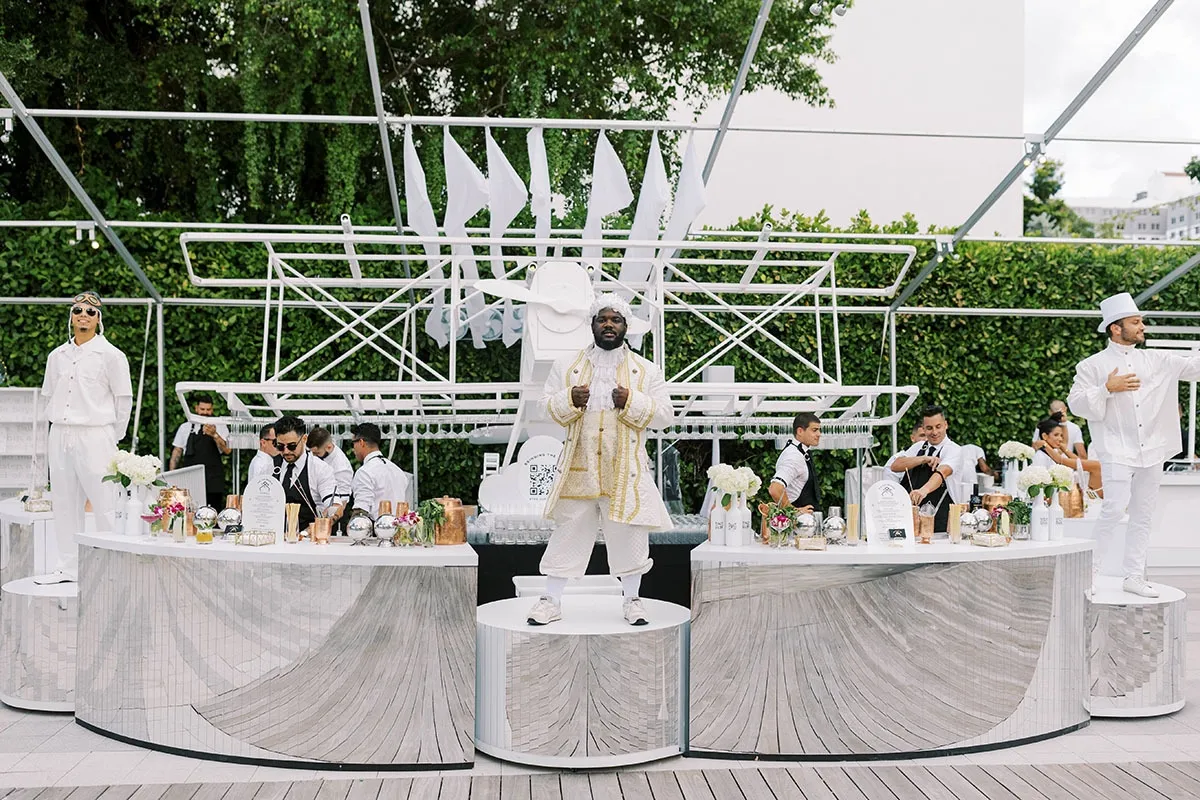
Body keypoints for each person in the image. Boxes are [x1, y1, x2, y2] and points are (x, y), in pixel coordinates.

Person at [527, 294, 673, 627]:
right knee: (567, 535)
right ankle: (551, 600)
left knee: (630, 537)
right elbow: (542, 407)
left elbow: (666, 414)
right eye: (602, 319)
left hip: (625, 472)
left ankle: (633, 600)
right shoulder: (568, 367)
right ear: (592, 324)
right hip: (579, 468)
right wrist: (569, 399)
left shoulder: (646, 371)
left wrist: (631, 400)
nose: (608, 325)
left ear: (626, 326)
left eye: (615, 320)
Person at [1068, 292, 1200, 598]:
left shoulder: (1157, 359)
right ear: (1116, 328)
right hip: (1116, 449)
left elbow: (1194, 366)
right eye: (1136, 322)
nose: (1143, 327)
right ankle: (1091, 572)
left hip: (1152, 449)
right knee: (1113, 509)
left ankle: (1133, 576)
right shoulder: (1092, 366)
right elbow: (1076, 402)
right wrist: (1105, 389)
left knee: (1143, 514)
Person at [37, 292, 133, 584]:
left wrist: (110, 437)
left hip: (95, 434)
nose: (83, 315)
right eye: (78, 310)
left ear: (99, 319)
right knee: (64, 502)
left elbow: (123, 400)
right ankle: (68, 567)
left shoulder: (112, 356)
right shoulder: (57, 356)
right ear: (71, 315)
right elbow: (48, 395)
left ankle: (112, 567)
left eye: (91, 312)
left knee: (104, 501)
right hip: (61, 433)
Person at [248, 415, 337, 533]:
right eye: (280, 446)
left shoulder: (319, 469)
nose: (286, 451)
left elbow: (334, 506)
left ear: (304, 439)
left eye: (292, 446)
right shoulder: (269, 467)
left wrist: (320, 524)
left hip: (308, 541)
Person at [886, 405, 963, 532]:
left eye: (938, 427)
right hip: (912, 520)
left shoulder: (954, 450)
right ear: (923, 429)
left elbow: (942, 473)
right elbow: (895, 466)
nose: (934, 432)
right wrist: (923, 459)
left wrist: (923, 490)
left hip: (941, 521)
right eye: (929, 428)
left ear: (946, 425)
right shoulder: (919, 447)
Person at [169, 394, 231, 510]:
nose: (205, 412)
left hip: (212, 480)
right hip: (190, 480)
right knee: (189, 512)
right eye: (202, 409)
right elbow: (177, 452)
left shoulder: (220, 425)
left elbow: (227, 450)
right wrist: (172, 477)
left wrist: (214, 435)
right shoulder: (185, 427)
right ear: (196, 409)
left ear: (212, 409)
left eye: (208, 409)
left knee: (213, 513)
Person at [349, 423, 410, 518]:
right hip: (400, 528)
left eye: (353, 443)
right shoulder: (397, 470)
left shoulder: (364, 472)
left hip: (377, 529)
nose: (353, 449)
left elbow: (361, 511)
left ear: (361, 442)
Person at [768, 412, 821, 512]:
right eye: (814, 430)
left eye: (819, 430)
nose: (819, 434)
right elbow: (775, 489)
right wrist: (793, 512)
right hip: (798, 525)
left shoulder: (799, 452)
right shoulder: (793, 456)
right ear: (800, 431)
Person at [1032, 417, 1102, 490]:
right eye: (1056, 435)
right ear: (1045, 436)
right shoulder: (1040, 456)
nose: (1061, 439)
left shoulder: (1055, 454)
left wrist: (1062, 448)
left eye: (1061, 435)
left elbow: (1078, 463)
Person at [307, 426, 352, 520]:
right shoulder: (315, 456)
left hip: (333, 517)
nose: (314, 456)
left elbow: (342, 502)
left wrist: (326, 520)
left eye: (317, 453)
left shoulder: (341, 466)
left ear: (329, 447)